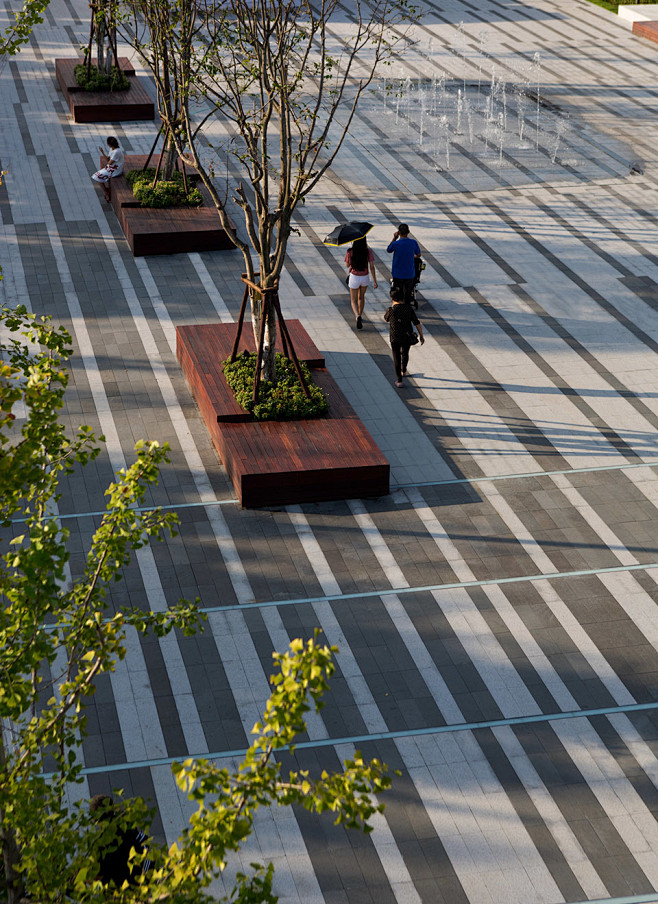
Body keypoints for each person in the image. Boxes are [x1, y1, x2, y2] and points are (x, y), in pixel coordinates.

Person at [89, 794, 150, 888]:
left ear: (95, 819)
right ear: (115, 809)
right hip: (140, 886)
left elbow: (96, 877)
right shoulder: (128, 826)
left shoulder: (101, 843)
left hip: (118, 893)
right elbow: (146, 847)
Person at [384, 285, 424, 388]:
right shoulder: (408, 308)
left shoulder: (391, 310)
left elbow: (385, 319)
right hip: (407, 336)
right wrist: (421, 335)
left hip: (395, 338)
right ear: (403, 298)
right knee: (405, 353)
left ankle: (399, 380)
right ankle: (404, 370)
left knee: (396, 357)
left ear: (392, 298)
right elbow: (416, 322)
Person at [345, 236, 377, 330]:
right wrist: (375, 281)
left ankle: (357, 316)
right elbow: (371, 266)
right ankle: (360, 314)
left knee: (353, 300)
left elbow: (347, 265)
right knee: (361, 297)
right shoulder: (368, 251)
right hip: (365, 277)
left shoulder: (350, 251)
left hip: (354, 277)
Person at [386, 223, 422, 307]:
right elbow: (419, 254)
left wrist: (394, 238)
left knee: (398, 293)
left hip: (397, 273)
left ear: (398, 232)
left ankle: (399, 308)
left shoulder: (396, 244)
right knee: (408, 292)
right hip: (409, 273)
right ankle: (407, 308)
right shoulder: (413, 242)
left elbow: (388, 249)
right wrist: (414, 256)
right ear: (408, 232)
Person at [92, 136, 124, 203]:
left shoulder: (116, 152)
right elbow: (108, 159)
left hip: (116, 170)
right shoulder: (112, 149)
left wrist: (103, 153)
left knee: (96, 177)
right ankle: (106, 190)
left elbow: (109, 162)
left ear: (109, 144)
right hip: (111, 167)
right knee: (97, 176)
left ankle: (106, 193)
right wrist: (102, 152)